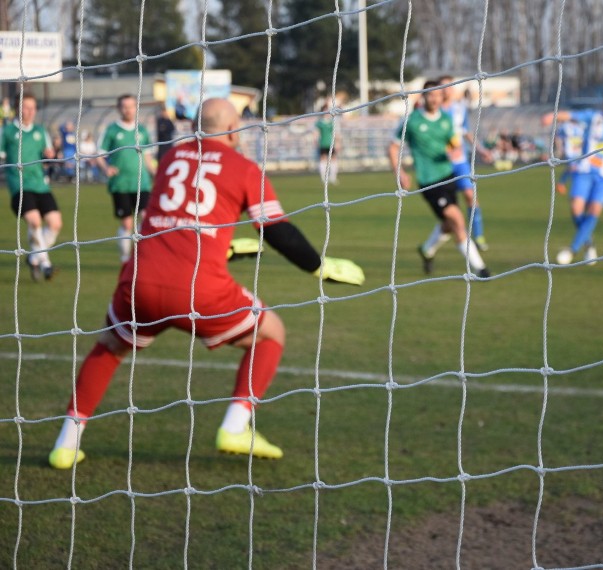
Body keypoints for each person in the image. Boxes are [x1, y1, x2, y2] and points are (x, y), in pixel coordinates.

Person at [47, 98, 366, 469]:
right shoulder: (244, 168)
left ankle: (66, 443)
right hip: (200, 289)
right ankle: (235, 426)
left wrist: (223, 248)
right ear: (234, 129)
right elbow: (276, 230)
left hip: (141, 281)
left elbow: (176, 222)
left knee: (110, 348)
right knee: (270, 332)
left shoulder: (171, 159)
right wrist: (318, 266)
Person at [388, 79, 490, 278]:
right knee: (457, 219)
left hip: (448, 175)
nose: (434, 98)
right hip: (429, 181)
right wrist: (399, 171)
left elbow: (453, 144)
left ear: (441, 97)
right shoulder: (413, 121)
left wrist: (455, 150)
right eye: (430, 94)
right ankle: (480, 268)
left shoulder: (446, 119)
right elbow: (392, 147)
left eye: (437, 94)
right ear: (423, 96)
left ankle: (427, 249)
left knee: (449, 223)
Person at [543, 89, 603, 266]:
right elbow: (569, 115)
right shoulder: (594, 117)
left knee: (594, 211)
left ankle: (572, 249)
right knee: (576, 209)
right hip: (583, 171)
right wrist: (552, 116)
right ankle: (589, 244)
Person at [1, 93, 59, 281]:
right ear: (18, 108)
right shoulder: (8, 131)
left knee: (55, 224)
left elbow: (48, 156)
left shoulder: (41, 131)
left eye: (33, 107)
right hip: (19, 185)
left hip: (40, 185)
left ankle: (34, 257)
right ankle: (46, 264)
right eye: (26, 107)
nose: (30, 111)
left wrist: (51, 154)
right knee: (34, 222)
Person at [94, 94, 158, 263]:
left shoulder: (142, 131)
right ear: (119, 109)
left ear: (136, 108)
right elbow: (99, 154)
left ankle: (142, 257)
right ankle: (125, 259)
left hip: (141, 183)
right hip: (120, 184)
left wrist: (155, 173)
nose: (128, 109)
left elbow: (148, 157)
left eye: (131, 106)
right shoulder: (112, 130)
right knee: (127, 225)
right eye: (124, 106)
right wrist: (106, 168)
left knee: (146, 219)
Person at [438, 75, 492, 251]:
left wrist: (481, 149)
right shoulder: (434, 109)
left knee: (470, 196)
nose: (447, 89)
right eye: (443, 86)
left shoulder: (460, 108)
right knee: (449, 208)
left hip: (459, 162)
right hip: (440, 164)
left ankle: (478, 236)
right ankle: (438, 242)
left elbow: (467, 132)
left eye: (450, 86)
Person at [315, 102, 340, 185]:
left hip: (331, 144)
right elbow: (316, 134)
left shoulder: (331, 122)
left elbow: (335, 133)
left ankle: (333, 177)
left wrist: (338, 143)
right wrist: (316, 142)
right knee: (323, 160)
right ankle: (323, 177)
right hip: (323, 144)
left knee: (333, 159)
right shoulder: (319, 123)